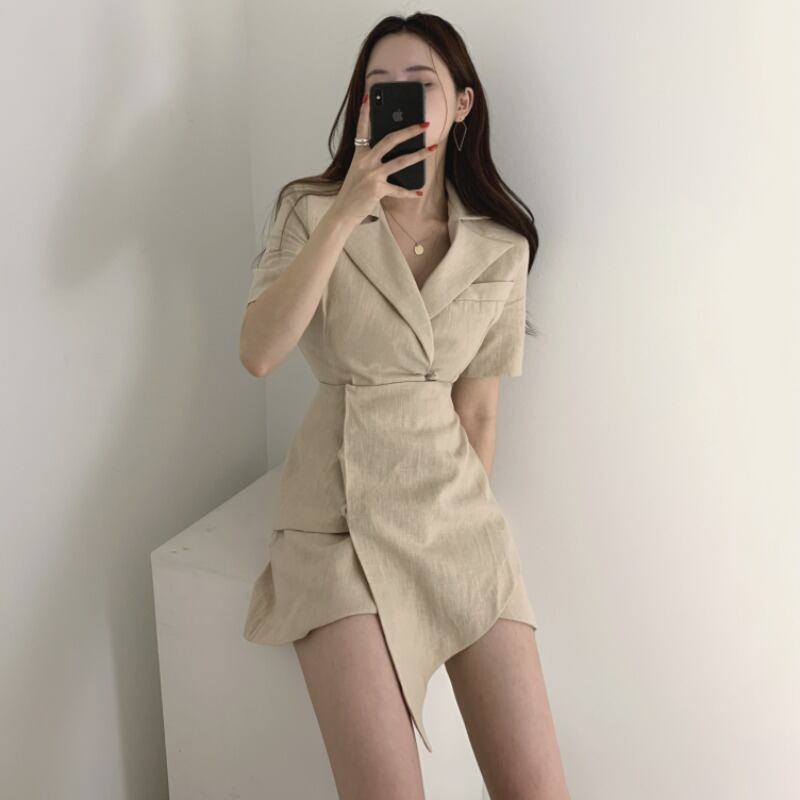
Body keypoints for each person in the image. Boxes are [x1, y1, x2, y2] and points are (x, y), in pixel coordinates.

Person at [239, 12, 571, 800]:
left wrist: (454, 520)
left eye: (420, 85)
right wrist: (347, 211)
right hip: (337, 520)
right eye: (377, 88)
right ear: (362, 108)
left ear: (462, 104)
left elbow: (478, 412)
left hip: (452, 516)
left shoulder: (500, 247)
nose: (398, 99)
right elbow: (259, 352)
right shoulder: (310, 209)